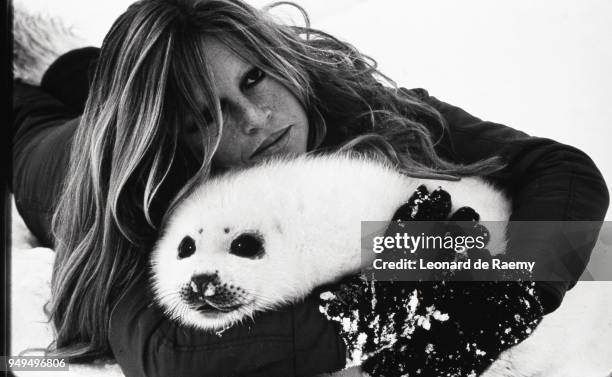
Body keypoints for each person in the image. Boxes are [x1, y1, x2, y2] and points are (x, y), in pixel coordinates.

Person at [11, 0, 609, 376]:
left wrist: (515, 288)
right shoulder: (143, 190)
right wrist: (378, 303)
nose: (254, 119)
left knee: (96, 74)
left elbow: (561, 169)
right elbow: (168, 352)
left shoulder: (351, 106)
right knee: (26, 121)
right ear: (173, 140)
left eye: (253, 79)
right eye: (204, 117)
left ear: (278, 62)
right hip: (55, 160)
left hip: (128, 103)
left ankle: (57, 55)